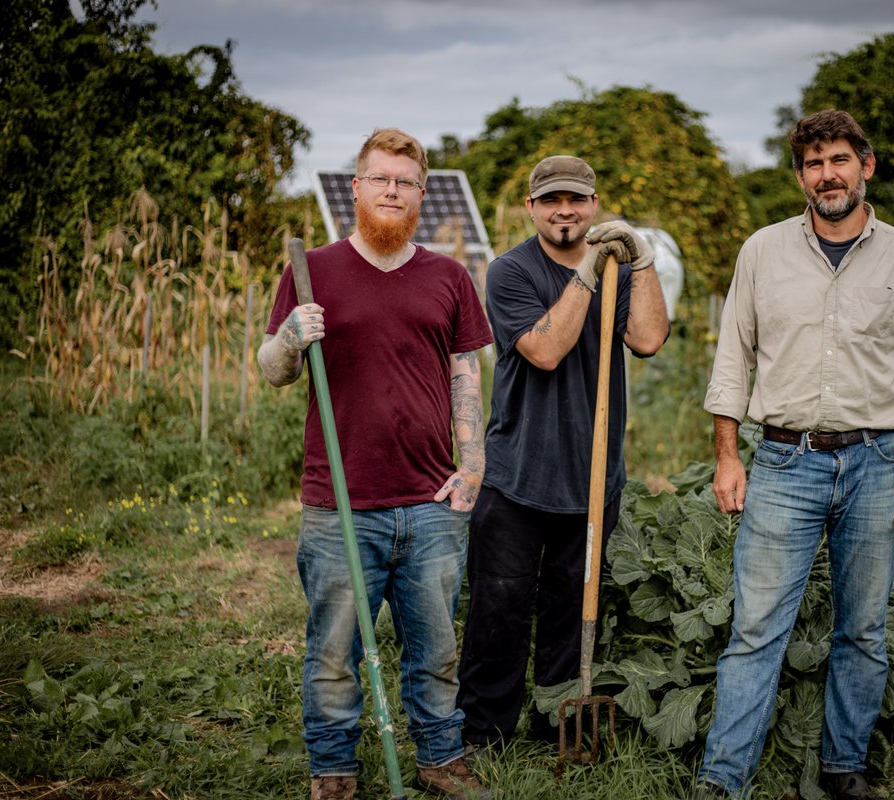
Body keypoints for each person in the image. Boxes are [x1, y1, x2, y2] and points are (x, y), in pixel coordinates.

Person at [690, 110, 894, 800]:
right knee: (755, 630)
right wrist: (728, 455)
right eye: (813, 163)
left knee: (863, 630)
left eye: (839, 159)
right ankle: (725, 780)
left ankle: (843, 769)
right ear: (800, 176)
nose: (827, 174)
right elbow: (733, 360)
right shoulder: (762, 252)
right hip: (783, 464)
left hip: (878, 464)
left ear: (866, 166)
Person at [258, 128, 494, 800]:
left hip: (430, 501)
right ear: (356, 187)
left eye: (405, 181)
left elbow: (465, 374)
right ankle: (333, 772)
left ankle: (440, 760)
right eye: (379, 178)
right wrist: (288, 339)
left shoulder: (448, 276)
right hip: (339, 502)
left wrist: (472, 465)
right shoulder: (315, 273)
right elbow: (273, 372)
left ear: (423, 193)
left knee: (437, 650)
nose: (392, 191)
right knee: (333, 651)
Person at [456, 155, 670, 752]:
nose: (565, 211)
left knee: (567, 615)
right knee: (498, 614)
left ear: (594, 204)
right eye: (551, 201)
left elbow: (649, 338)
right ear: (532, 208)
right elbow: (546, 350)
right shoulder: (508, 272)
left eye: (576, 200)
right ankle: (483, 736)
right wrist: (587, 271)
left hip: (592, 478)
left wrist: (642, 260)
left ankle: (557, 729)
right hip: (517, 477)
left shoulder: (622, 273)